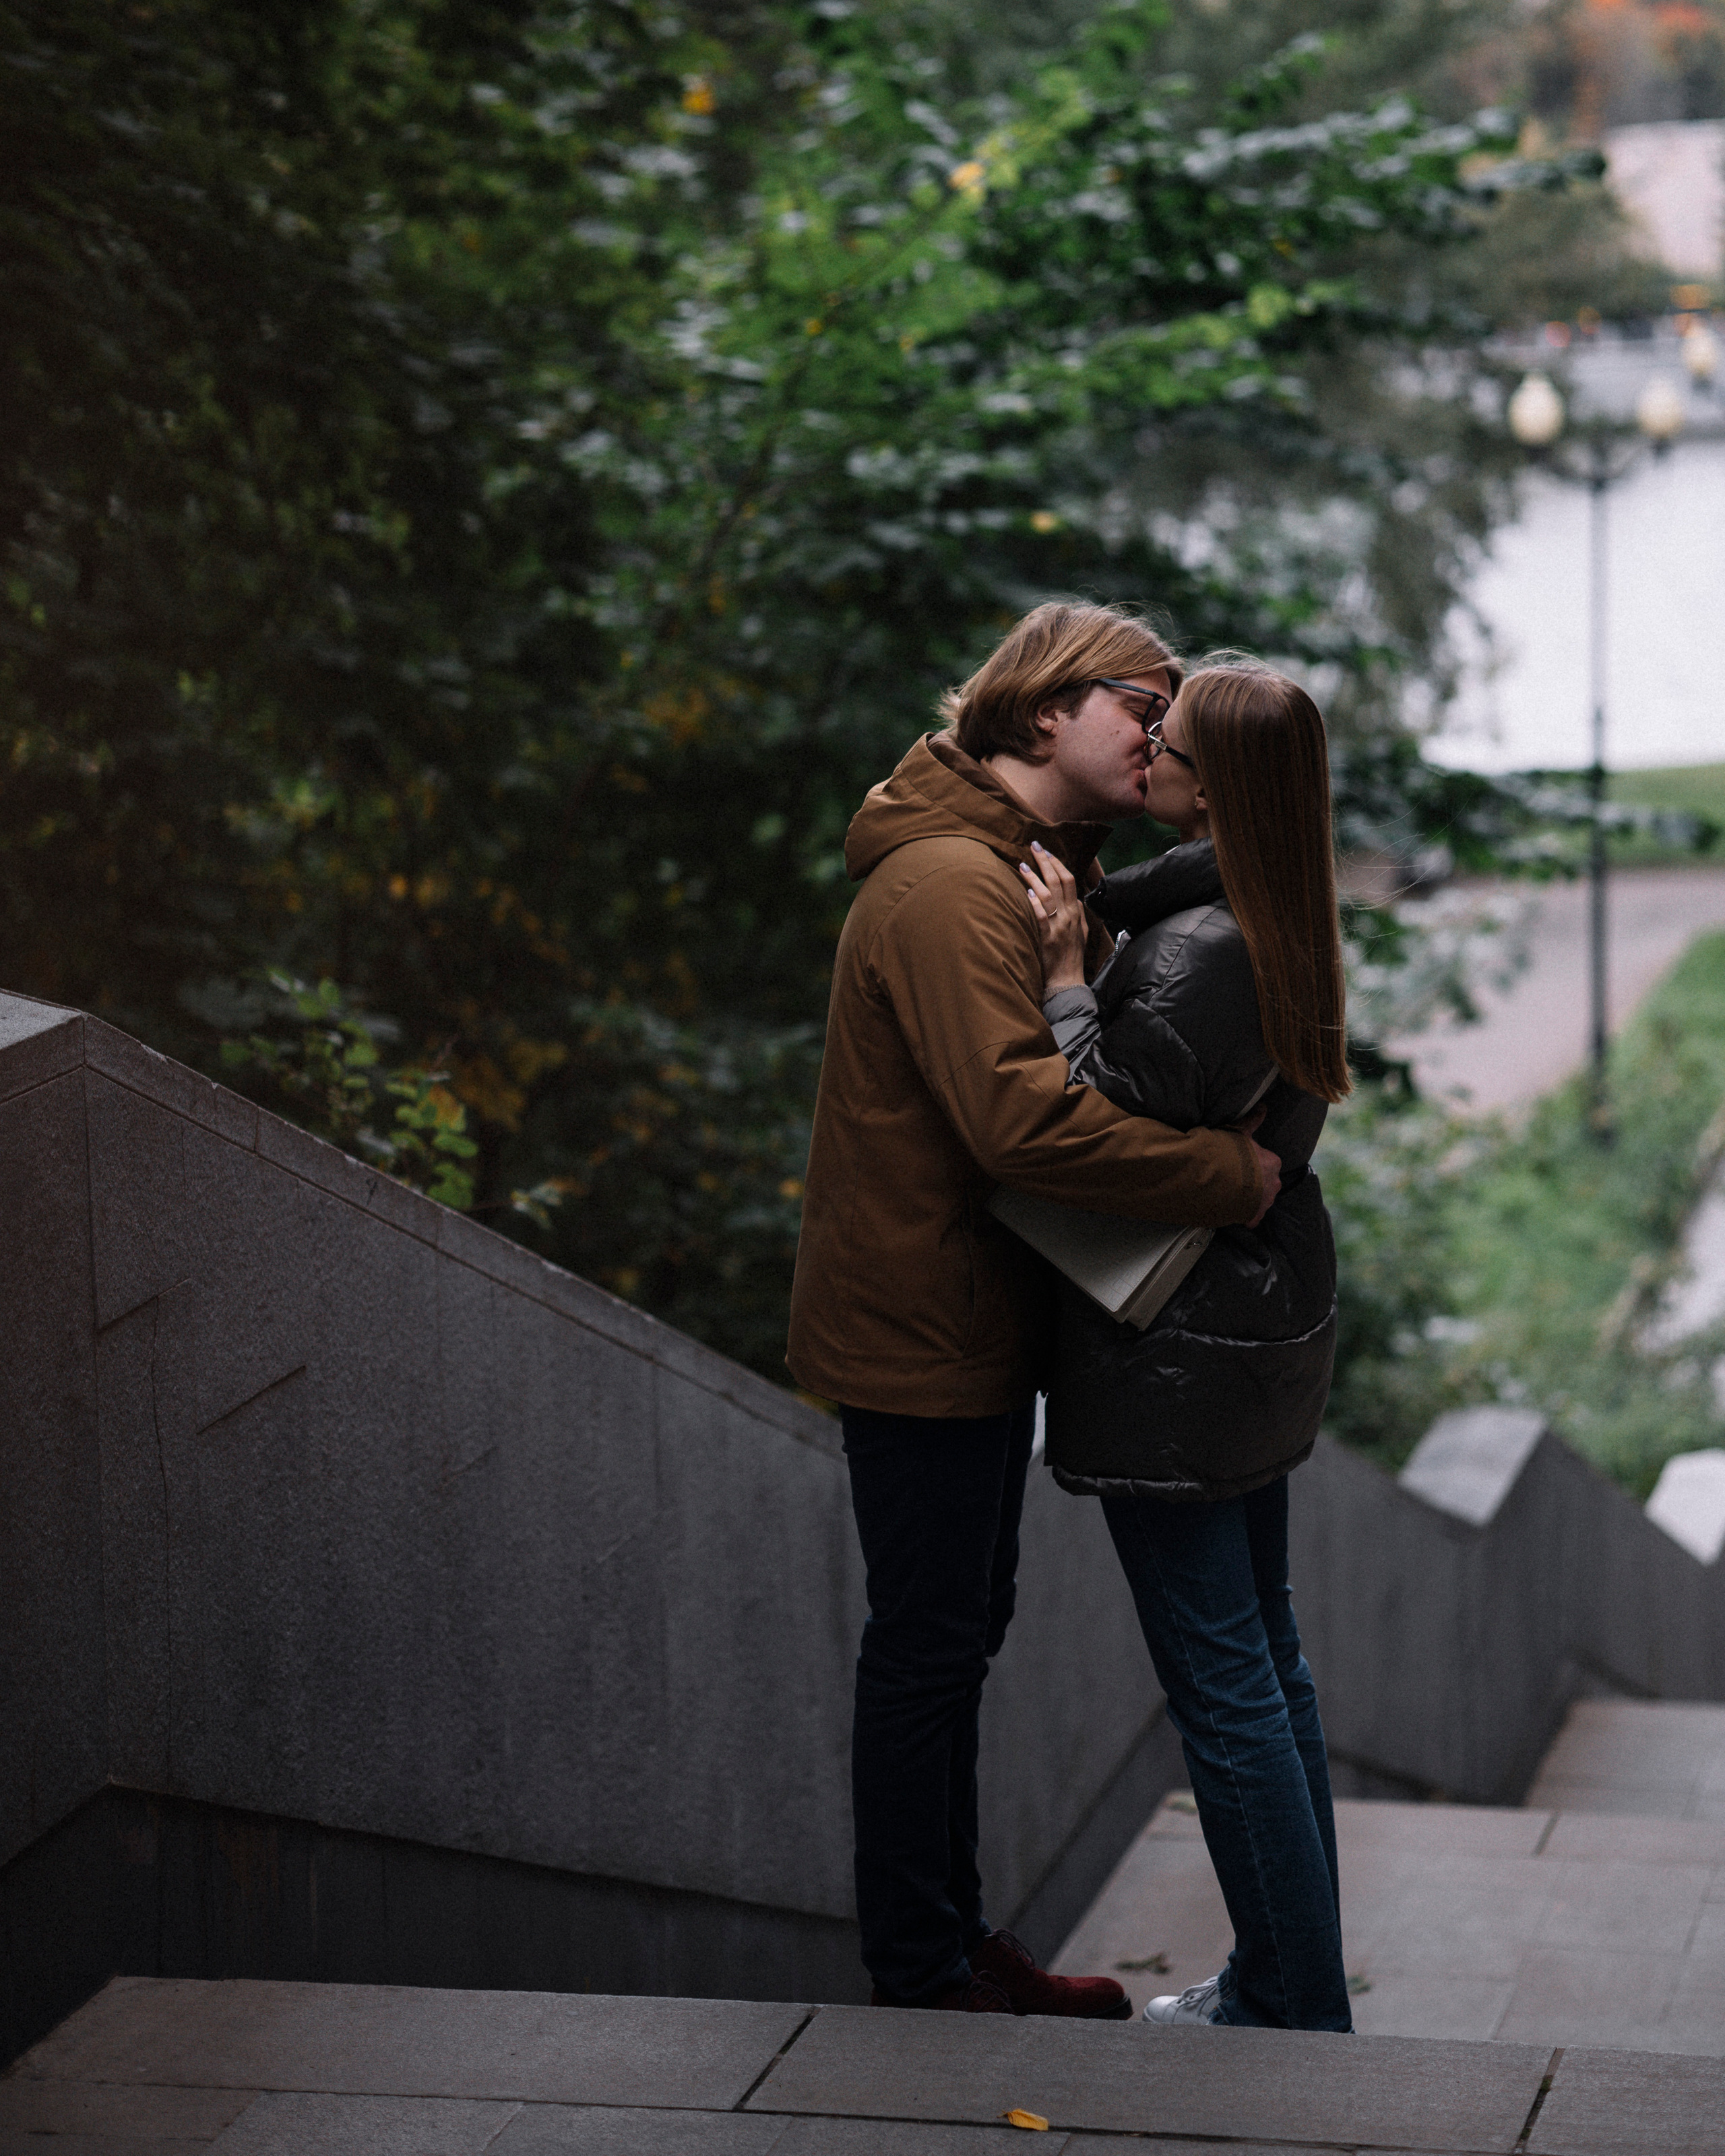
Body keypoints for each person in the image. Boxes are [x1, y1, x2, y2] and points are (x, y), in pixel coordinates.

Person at [786, 602, 1282, 2015]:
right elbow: (1021, 1126)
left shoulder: (1038, 865)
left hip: (967, 1318)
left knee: (955, 1630)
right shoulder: (951, 885)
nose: (1160, 732)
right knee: (930, 1643)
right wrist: (1217, 1178)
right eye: (1141, 704)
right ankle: (923, 1967)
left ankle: (953, 1942)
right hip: (919, 1327)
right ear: (1048, 707)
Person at [1020, 656, 1353, 2034]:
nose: (1142, 745)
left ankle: (1287, 1996)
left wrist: (1054, 974)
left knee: (1224, 1682)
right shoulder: (1270, 911)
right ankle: (1289, 1980)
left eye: (1169, 736)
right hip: (1249, 1329)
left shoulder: (1199, 948)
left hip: (1179, 1348)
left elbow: (1096, 1129)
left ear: (1211, 790)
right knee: (1263, 1662)